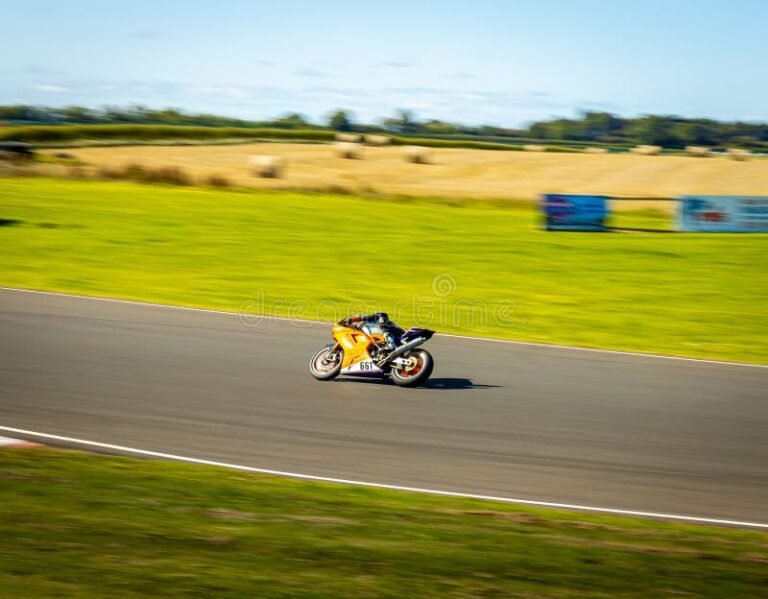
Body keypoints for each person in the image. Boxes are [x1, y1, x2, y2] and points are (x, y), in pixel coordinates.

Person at [338, 312, 404, 348]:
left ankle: (390, 341)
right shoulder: (361, 331)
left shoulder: (365, 322)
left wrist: (355, 319)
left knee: (380, 316)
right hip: (396, 339)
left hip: (396, 334)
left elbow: (374, 317)